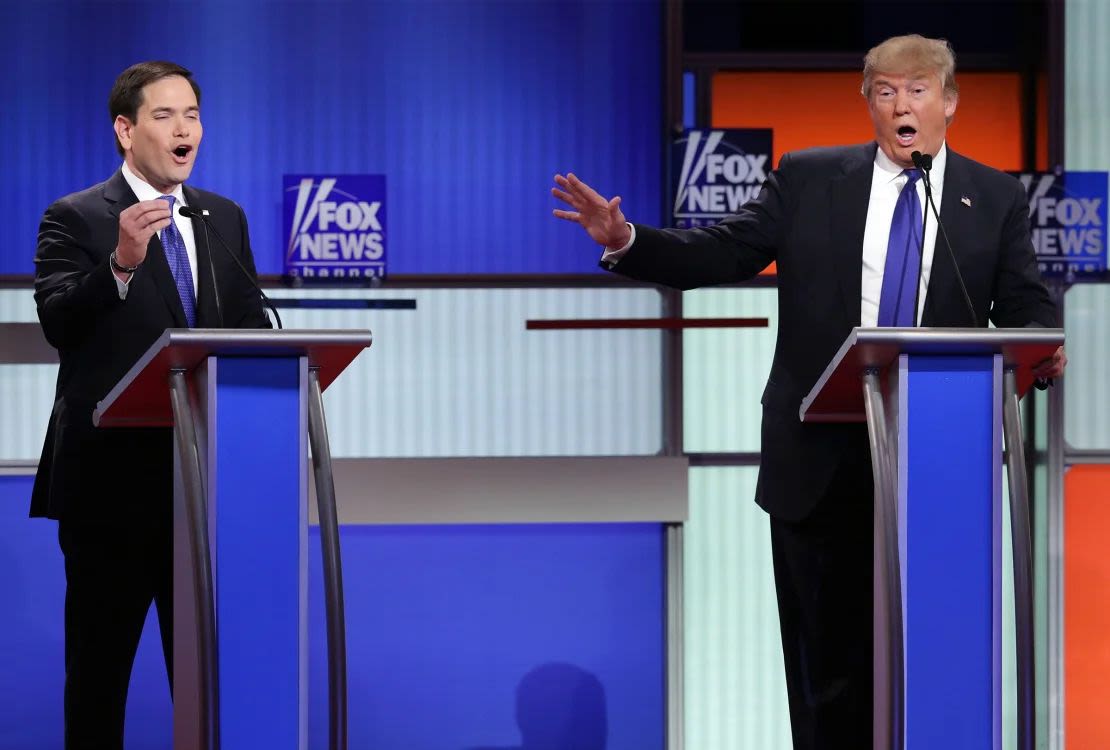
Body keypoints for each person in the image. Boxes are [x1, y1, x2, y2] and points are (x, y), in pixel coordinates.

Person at [552, 34, 1067, 750]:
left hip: (939, 468)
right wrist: (630, 238)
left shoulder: (996, 197)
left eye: (917, 90)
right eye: (885, 91)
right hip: (818, 464)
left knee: (935, 665)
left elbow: (1024, 307)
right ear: (869, 104)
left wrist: (1042, 352)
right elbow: (723, 252)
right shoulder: (808, 178)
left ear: (948, 103)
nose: (901, 105)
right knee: (828, 674)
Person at [31, 61, 270, 748]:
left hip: (204, 488)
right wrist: (121, 266)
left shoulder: (222, 216)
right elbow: (60, 325)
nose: (184, 128)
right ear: (125, 129)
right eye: (164, 116)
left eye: (191, 114)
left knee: (202, 678)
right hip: (109, 488)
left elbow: (250, 326)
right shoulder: (76, 217)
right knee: (99, 677)